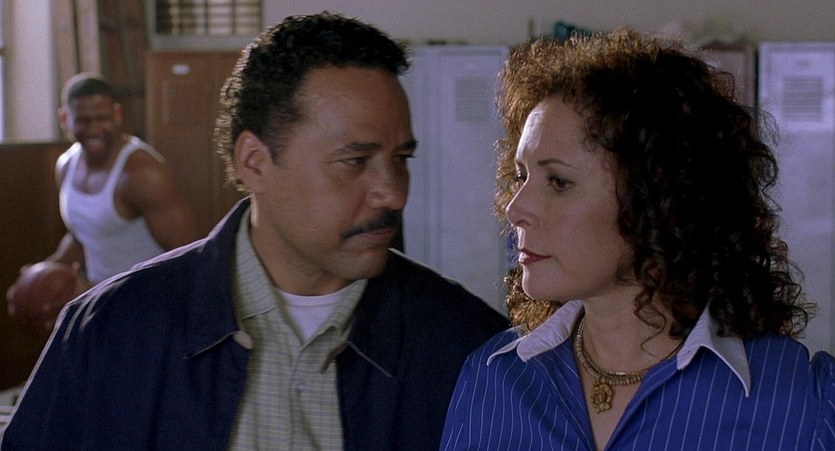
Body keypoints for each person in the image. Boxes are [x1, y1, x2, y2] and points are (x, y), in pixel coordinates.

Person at [0, 12, 507, 450]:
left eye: (400, 159)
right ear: (254, 162)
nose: (393, 193)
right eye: (355, 161)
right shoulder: (106, 334)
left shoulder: (467, 348)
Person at [440, 29, 835, 450]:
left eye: (558, 181)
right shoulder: (494, 381)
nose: (515, 209)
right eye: (520, 176)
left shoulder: (804, 404)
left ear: (659, 198)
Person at [9, 73, 197, 293]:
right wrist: (38, 275)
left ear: (117, 115)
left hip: (144, 298)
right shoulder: (66, 166)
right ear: (65, 119)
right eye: (84, 120)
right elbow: (82, 237)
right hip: (99, 298)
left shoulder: (142, 173)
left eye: (102, 118)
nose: (94, 129)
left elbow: (188, 256)